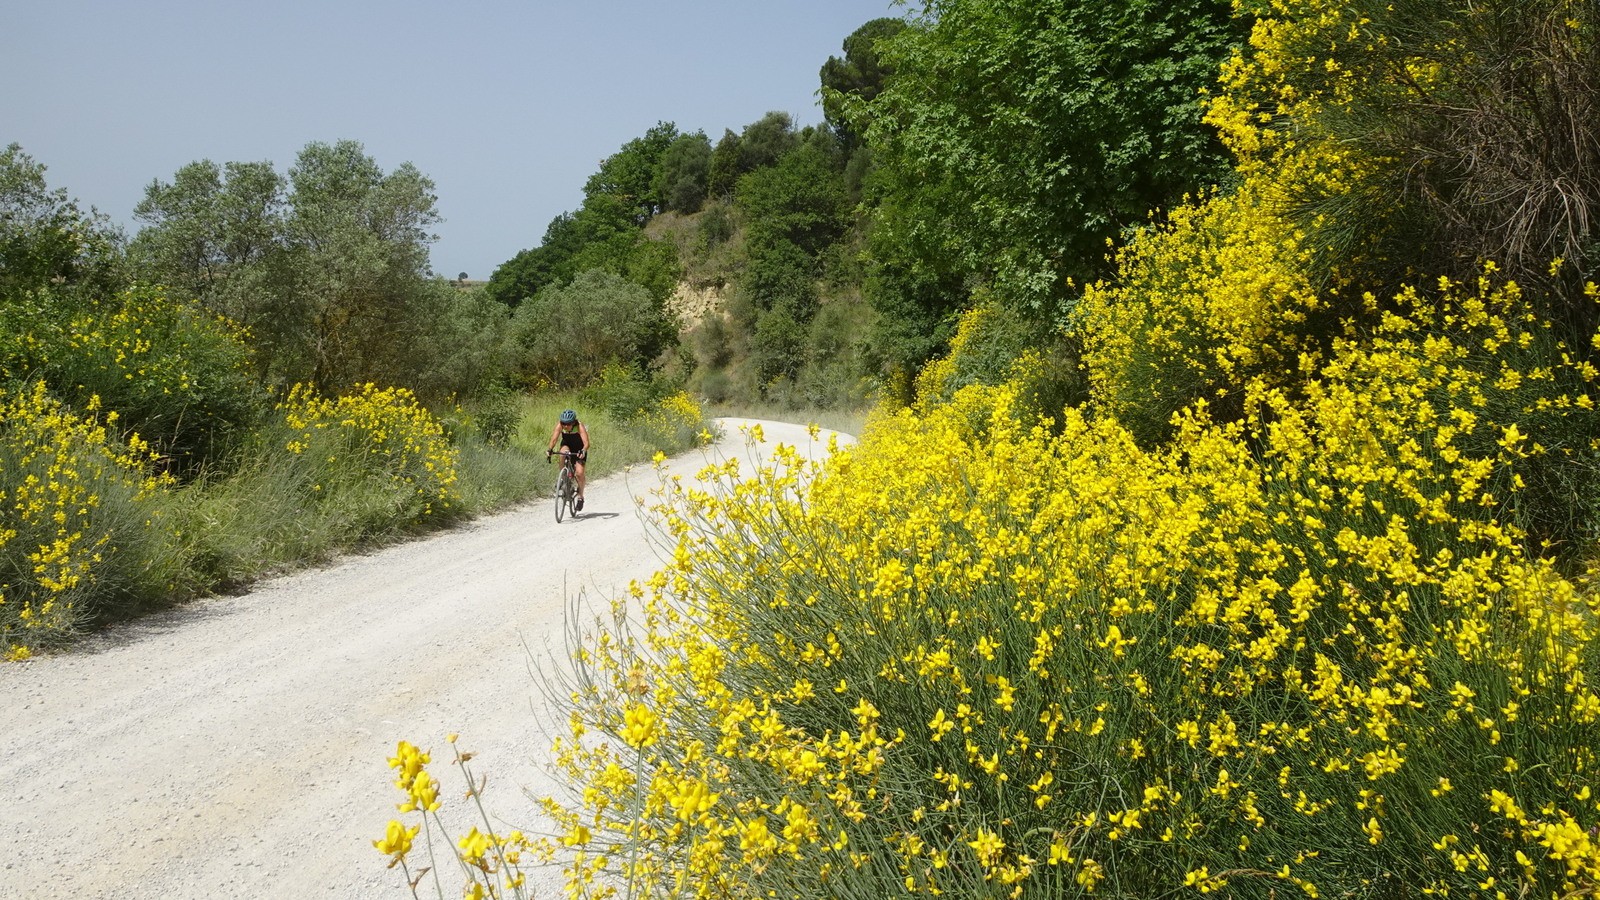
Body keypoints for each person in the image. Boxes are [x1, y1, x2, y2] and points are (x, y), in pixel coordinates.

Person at [547, 408, 590, 511]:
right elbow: (554, 439)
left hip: (579, 448)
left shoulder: (579, 426)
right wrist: (550, 450)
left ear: (573, 422)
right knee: (562, 453)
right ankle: (563, 477)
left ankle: (580, 497)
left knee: (579, 473)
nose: (565, 426)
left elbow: (587, 443)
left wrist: (583, 450)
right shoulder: (560, 425)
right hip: (567, 445)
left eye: (568, 424)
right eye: (564, 423)